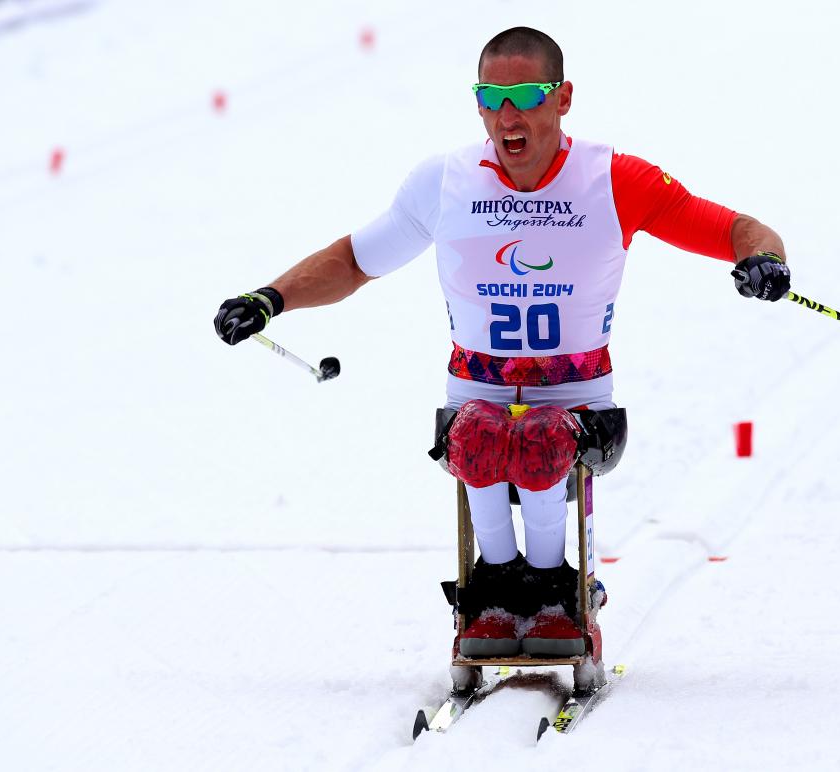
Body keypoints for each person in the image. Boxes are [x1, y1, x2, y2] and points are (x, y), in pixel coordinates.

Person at [213, 27, 791, 658]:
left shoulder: (615, 180)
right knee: (482, 434)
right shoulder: (444, 182)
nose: (507, 115)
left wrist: (761, 261)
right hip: (475, 403)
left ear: (563, 97)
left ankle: (551, 590)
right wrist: (267, 299)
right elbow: (354, 261)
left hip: (580, 406)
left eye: (526, 95)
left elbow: (738, 229)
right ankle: (492, 590)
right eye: (491, 96)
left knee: (540, 439)